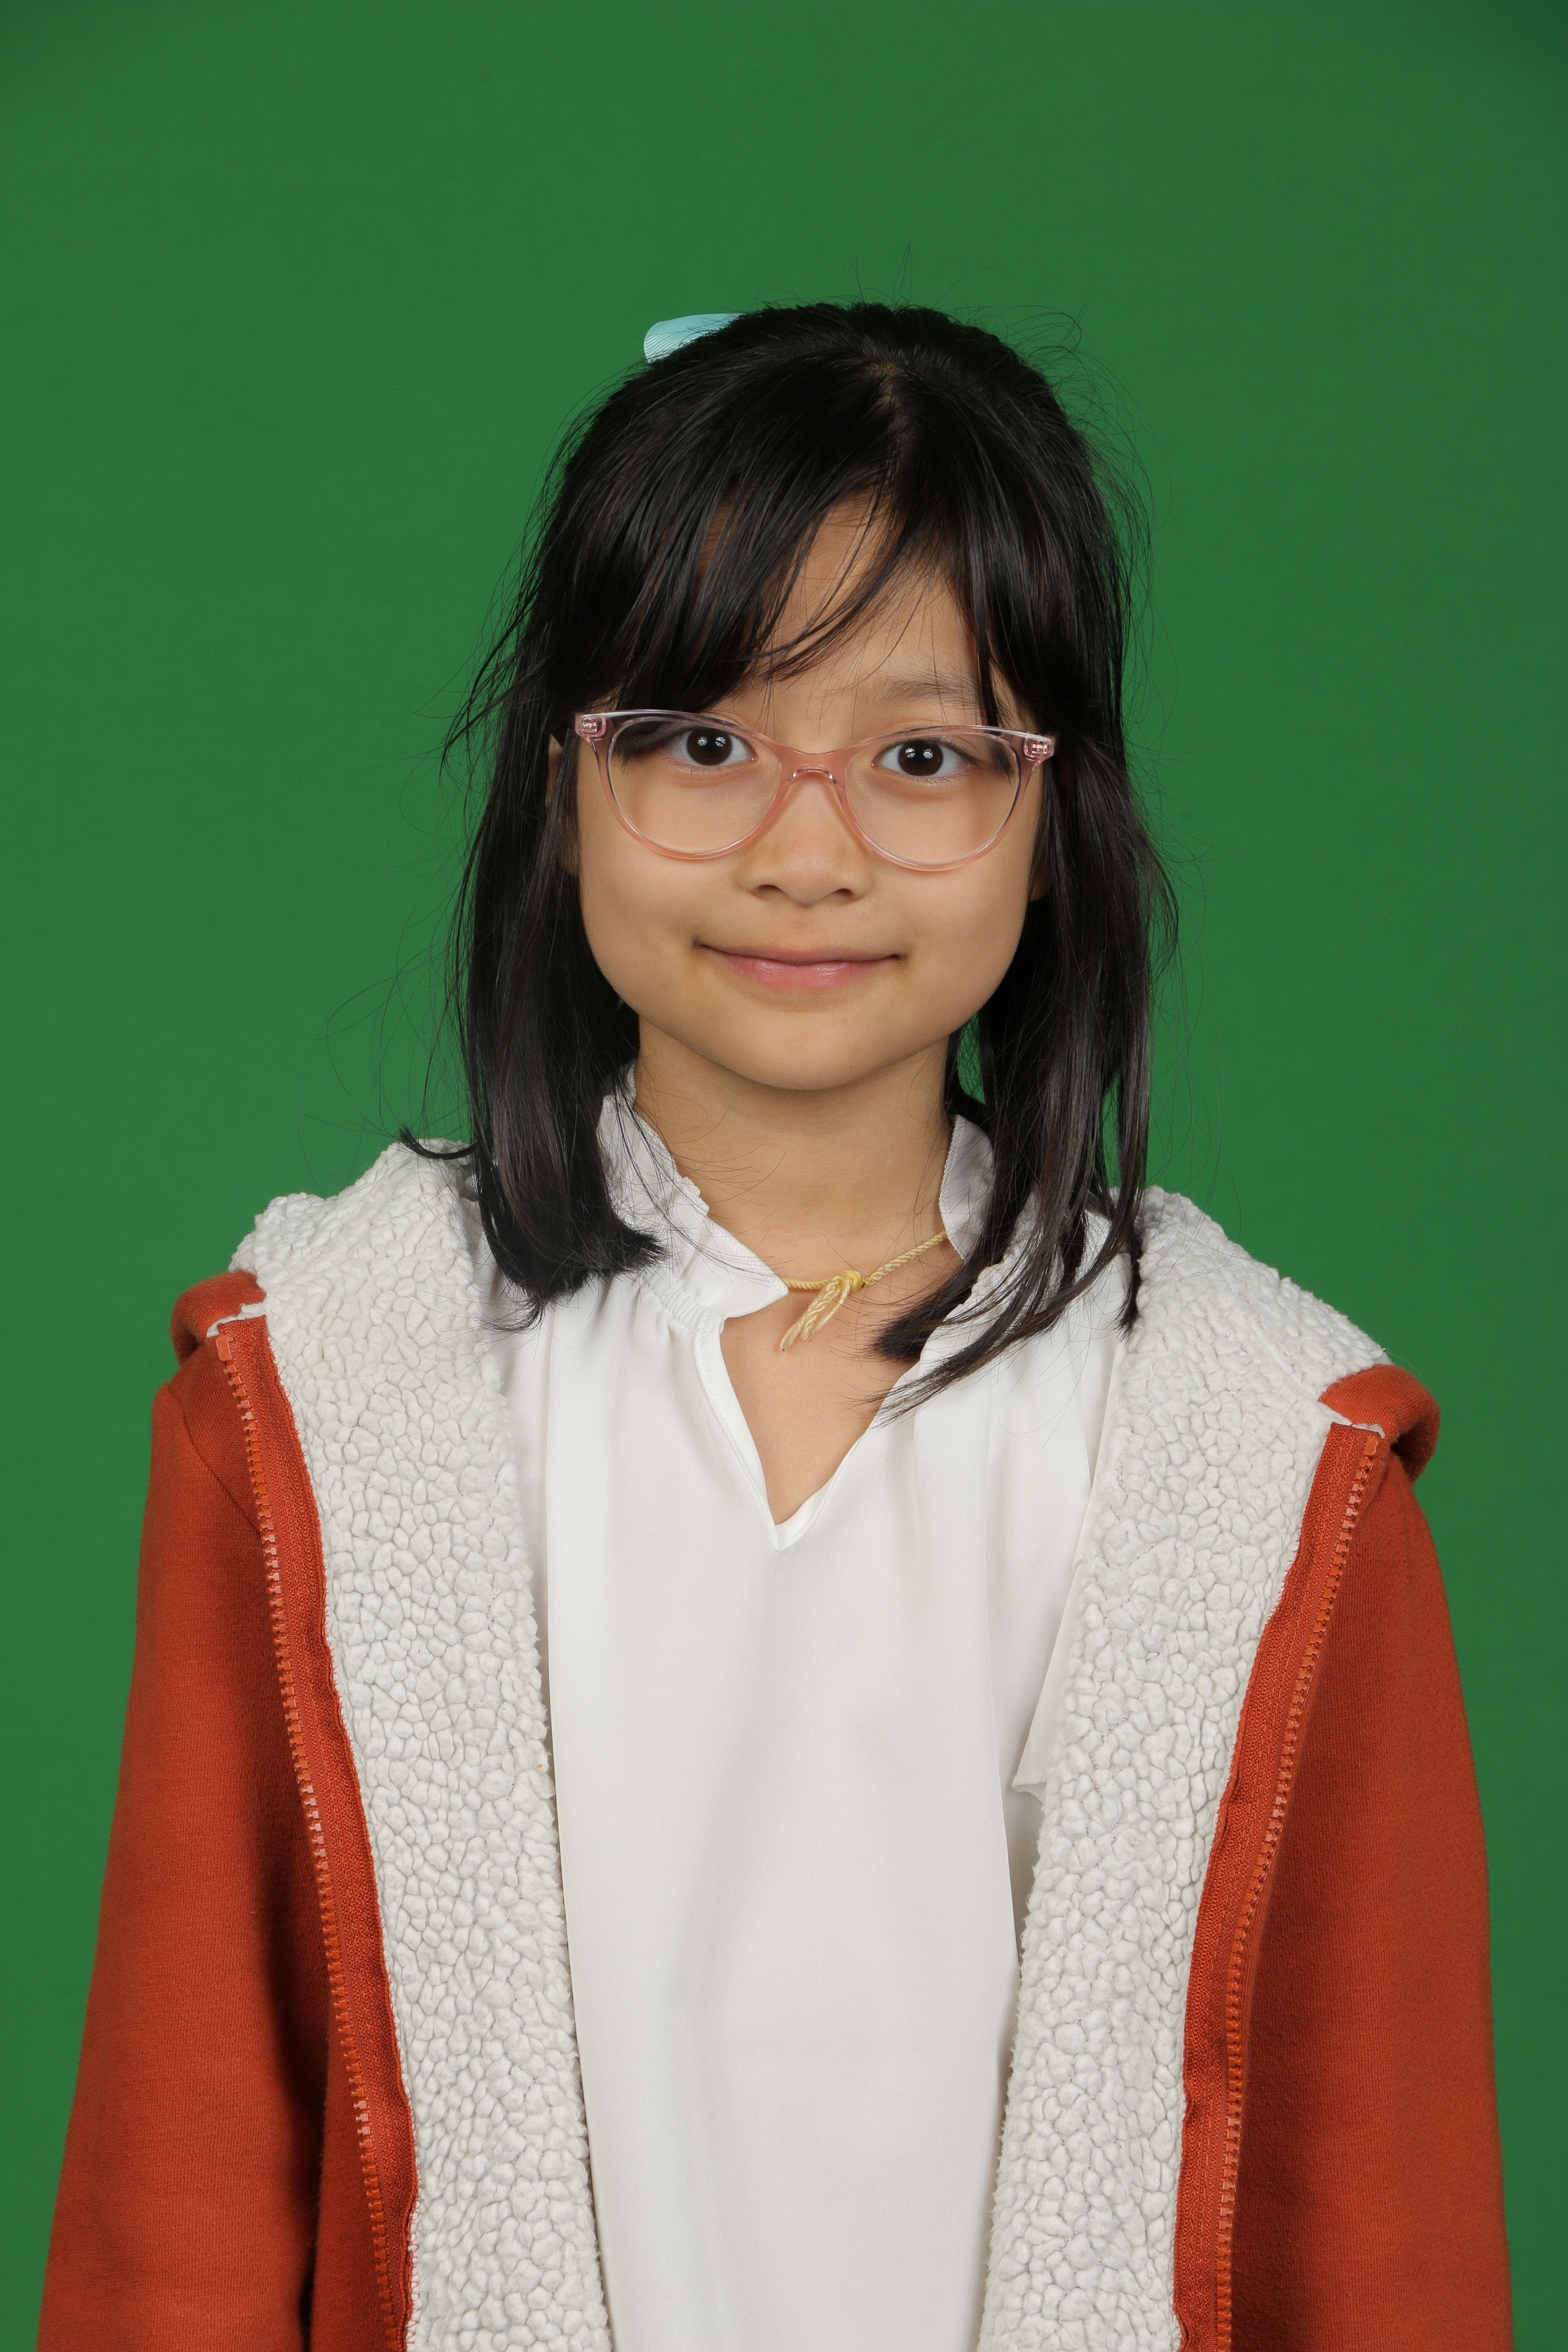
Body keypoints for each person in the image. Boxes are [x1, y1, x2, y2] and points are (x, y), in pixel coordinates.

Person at [39, 304, 1510, 2352]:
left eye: (922, 757)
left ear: (1052, 815)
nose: (806, 855)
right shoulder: (322, 1393)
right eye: (704, 742)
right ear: (567, 785)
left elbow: (1384, 2245)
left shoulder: (1268, 1457)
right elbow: (180, 2202)